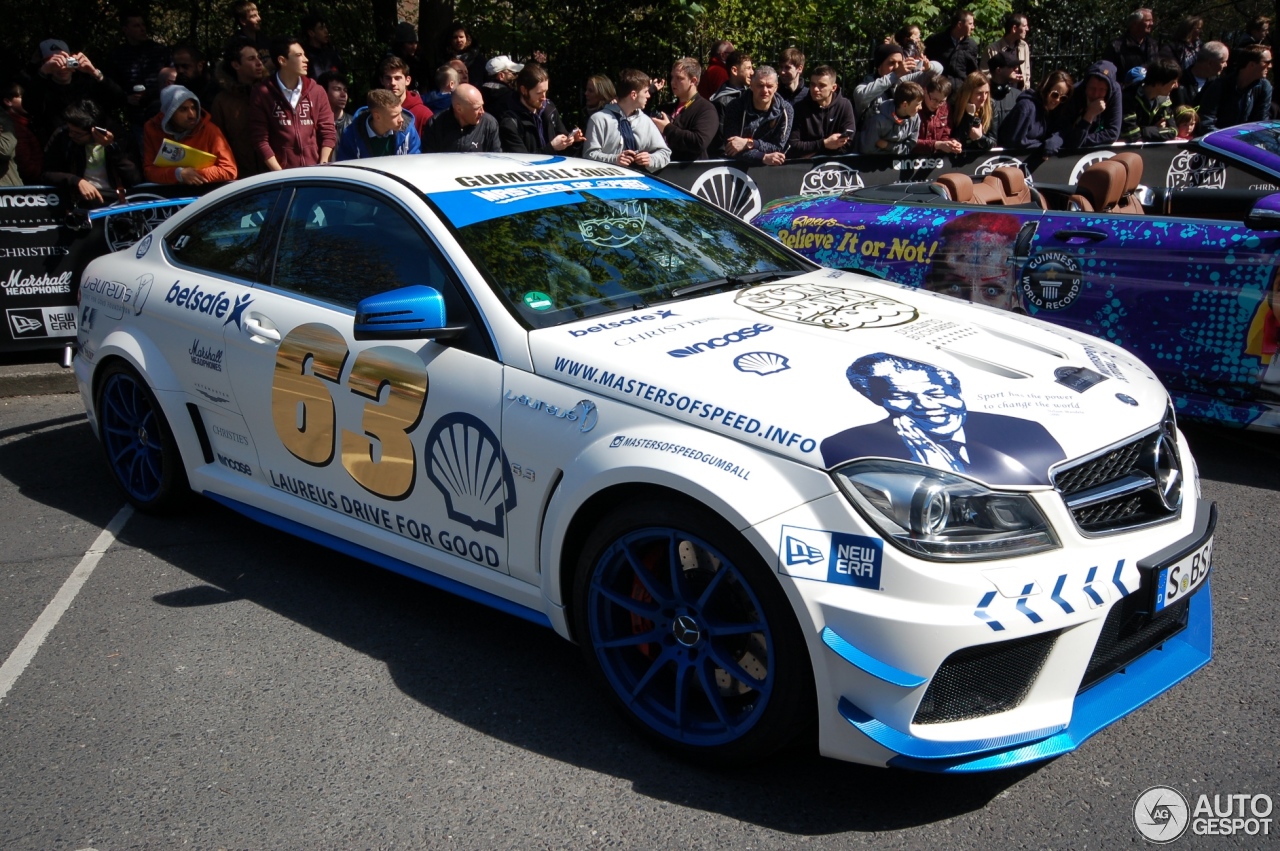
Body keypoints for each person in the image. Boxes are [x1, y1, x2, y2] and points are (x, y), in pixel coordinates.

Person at [820, 351, 1065, 483]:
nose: (925, 405)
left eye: (935, 392)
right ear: (879, 401)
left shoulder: (1025, 431)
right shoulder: (854, 447)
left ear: (956, 390)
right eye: (900, 396)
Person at [248, 36, 336, 170]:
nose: (306, 59)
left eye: (304, 55)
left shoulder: (317, 91)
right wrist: (280, 174)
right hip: (280, 178)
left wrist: (323, 165)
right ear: (282, 60)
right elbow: (260, 140)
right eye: (299, 55)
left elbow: (328, 132)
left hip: (316, 173)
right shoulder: (262, 93)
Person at [41, 100, 139, 207]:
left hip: (116, 199)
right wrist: (76, 181)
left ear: (94, 131)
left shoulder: (120, 136)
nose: (71, 135)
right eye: (70, 130)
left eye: (78, 134)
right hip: (79, 200)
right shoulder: (62, 136)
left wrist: (111, 147)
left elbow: (134, 178)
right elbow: (47, 173)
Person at [27, 40, 122, 144]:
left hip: (94, 144)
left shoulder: (86, 82)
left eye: (66, 61)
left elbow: (119, 100)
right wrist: (42, 73)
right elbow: (31, 107)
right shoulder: (42, 88)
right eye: (55, 63)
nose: (61, 67)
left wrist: (94, 73)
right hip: (61, 148)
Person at [142, 85, 237, 185]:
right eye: (183, 110)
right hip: (168, 192)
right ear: (169, 113)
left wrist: (192, 175)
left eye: (193, 108)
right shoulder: (152, 128)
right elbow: (149, 170)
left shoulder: (210, 130)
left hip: (203, 191)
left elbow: (229, 170)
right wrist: (177, 174)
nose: (192, 115)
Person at [583, 68, 670, 172]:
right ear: (633, 95)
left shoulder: (645, 121)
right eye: (645, 91)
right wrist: (615, 159)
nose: (648, 95)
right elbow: (588, 156)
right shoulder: (599, 120)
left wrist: (650, 159)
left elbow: (665, 153)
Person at [105, 9, 173, 138]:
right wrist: (126, 98)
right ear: (125, 30)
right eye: (136, 26)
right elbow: (111, 85)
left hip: (165, 114)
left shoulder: (160, 51)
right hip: (137, 119)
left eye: (143, 25)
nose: (142, 29)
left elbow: (174, 78)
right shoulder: (118, 56)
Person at [211, 36, 266, 177]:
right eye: (251, 59)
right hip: (241, 179)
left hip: (274, 175)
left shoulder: (271, 92)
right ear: (236, 65)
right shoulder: (222, 101)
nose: (259, 63)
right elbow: (219, 144)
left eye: (259, 58)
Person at [499, 63, 580, 154]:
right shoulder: (511, 123)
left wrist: (572, 140)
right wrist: (551, 147)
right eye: (539, 93)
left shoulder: (549, 108)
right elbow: (521, 161)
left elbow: (562, 142)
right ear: (524, 90)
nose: (544, 97)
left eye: (545, 91)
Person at [722, 65, 793, 165]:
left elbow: (778, 147)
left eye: (769, 86)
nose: (765, 90)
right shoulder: (735, 106)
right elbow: (731, 147)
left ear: (776, 87)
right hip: (738, 168)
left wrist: (748, 143)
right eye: (760, 85)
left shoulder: (786, 110)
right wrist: (762, 157)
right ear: (751, 85)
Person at [651, 57, 718, 161]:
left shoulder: (706, 109)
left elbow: (699, 142)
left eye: (679, 78)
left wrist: (668, 129)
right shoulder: (666, 108)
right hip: (663, 171)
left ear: (693, 81)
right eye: (672, 77)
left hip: (690, 173)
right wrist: (650, 91)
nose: (673, 82)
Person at [854, 42, 934, 123]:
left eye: (900, 63)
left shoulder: (903, 80)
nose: (897, 67)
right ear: (879, 66)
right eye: (892, 63)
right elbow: (861, 97)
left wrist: (928, 67)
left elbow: (938, 71)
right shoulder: (868, 84)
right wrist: (894, 75)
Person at [789, 64, 857, 157]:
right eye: (812, 84)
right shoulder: (800, 108)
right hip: (806, 166)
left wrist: (816, 150)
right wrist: (825, 144)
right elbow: (794, 145)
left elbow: (849, 142)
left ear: (833, 88)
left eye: (822, 85)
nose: (815, 89)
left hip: (836, 163)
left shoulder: (844, 105)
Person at [1200, 46, 1273, 133]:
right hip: (1217, 140)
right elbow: (1206, 121)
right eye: (1267, 62)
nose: (1270, 66)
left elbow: (1261, 123)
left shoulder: (1264, 87)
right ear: (1251, 65)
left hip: (1245, 141)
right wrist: (1227, 139)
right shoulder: (1219, 85)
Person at [998, 70, 1071, 153]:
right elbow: (1014, 142)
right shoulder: (1025, 108)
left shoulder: (1052, 111)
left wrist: (1054, 141)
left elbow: (1060, 132)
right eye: (1055, 95)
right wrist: (1042, 146)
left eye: (1062, 98)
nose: (1057, 100)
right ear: (1046, 89)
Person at [336, 88, 421, 159]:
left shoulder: (408, 131)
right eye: (395, 116)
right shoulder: (352, 134)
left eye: (401, 113)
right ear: (377, 117)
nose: (401, 119)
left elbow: (415, 161)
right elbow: (346, 167)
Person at [1062, 60, 1123, 150]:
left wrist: (1081, 140)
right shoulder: (1075, 93)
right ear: (1086, 85)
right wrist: (1089, 115)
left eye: (1102, 89)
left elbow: (1112, 133)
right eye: (1092, 88)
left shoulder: (1115, 92)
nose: (1095, 94)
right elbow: (1066, 135)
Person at [422, 82, 501, 152]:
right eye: (476, 108)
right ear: (459, 109)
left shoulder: (488, 124)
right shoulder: (435, 124)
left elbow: (495, 158)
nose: (482, 112)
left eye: (482, 106)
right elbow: (429, 159)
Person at [1120, 57, 1180, 142]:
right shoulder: (1129, 98)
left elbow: (1174, 131)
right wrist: (1154, 129)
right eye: (1173, 82)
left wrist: (1144, 131)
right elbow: (1131, 134)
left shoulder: (1164, 100)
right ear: (1159, 83)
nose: (1176, 86)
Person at [859, 79, 923, 155]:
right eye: (917, 104)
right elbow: (867, 150)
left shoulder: (915, 119)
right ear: (905, 105)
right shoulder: (878, 119)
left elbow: (908, 148)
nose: (921, 107)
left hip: (899, 163)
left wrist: (887, 145)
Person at [924, 8, 981, 89]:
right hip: (937, 92)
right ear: (960, 25)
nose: (973, 27)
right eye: (970, 24)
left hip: (960, 93)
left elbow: (972, 72)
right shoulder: (935, 41)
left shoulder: (971, 45)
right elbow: (924, 64)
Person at [378, 56, 432, 137]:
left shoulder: (423, 114)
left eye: (397, 78)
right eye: (388, 78)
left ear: (407, 80)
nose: (393, 83)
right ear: (382, 81)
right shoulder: (376, 113)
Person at [1, 81, 43, 182]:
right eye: (22, 97)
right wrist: (41, 175)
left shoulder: (27, 123)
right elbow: (24, 163)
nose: (28, 101)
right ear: (8, 102)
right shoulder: (14, 126)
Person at [1173, 42, 1229, 114]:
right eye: (1223, 62)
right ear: (1210, 63)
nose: (1226, 65)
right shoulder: (1177, 83)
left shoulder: (1218, 84)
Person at [913, 72, 961, 154]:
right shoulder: (914, 108)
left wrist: (951, 143)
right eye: (934, 99)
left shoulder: (946, 108)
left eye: (941, 101)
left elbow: (945, 135)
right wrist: (935, 144)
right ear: (925, 91)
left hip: (935, 161)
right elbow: (908, 142)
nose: (937, 104)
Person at [1104, 8, 1160, 78]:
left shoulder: (1152, 44)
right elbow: (1108, 72)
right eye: (1148, 20)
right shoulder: (1116, 46)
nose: (1151, 24)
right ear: (1135, 24)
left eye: (1152, 21)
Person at [950, 71, 995, 150]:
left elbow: (993, 143)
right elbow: (957, 139)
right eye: (979, 93)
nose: (984, 98)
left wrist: (980, 138)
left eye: (986, 93)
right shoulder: (954, 106)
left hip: (981, 158)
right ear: (969, 93)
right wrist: (969, 116)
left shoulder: (990, 105)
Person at [986, 13, 1031, 88]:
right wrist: (1007, 79)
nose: (1027, 29)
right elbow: (984, 76)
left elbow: (1027, 73)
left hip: (1019, 94)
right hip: (999, 94)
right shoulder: (992, 49)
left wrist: (1025, 87)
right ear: (1014, 28)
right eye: (1024, 26)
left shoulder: (1024, 46)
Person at [985, 53, 1023, 136]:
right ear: (998, 70)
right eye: (1012, 67)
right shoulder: (983, 96)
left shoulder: (1018, 96)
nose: (1016, 69)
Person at [438, 23, 486, 89]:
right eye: (455, 37)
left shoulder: (478, 59)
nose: (458, 40)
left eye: (461, 37)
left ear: (467, 38)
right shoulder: (443, 58)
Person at [172, 43, 219, 108]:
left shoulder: (216, 91)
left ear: (200, 66)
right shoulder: (175, 90)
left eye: (185, 66)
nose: (180, 71)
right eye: (177, 67)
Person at [710, 50, 753, 117]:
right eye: (748, 68)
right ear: (734, 71)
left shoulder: (750, 94)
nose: (752, 72)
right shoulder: (721, 102)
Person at [301, 12, 343, 80]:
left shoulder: (332, 54)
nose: (326, 31)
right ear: (311, 33)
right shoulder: (304, 56)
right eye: (321, 28)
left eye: (325, 27)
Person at [387, 22, 426, 90]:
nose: (414, 47)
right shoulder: (389, 60)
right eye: (410, 43)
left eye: (416, 43)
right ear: (401, 44)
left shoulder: (417, 60)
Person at [318, 71, 352, 135]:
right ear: (324, 92)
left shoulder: (354, 124)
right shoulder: (314, 125)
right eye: (337, 89)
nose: (343, 94)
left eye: (345, 90)